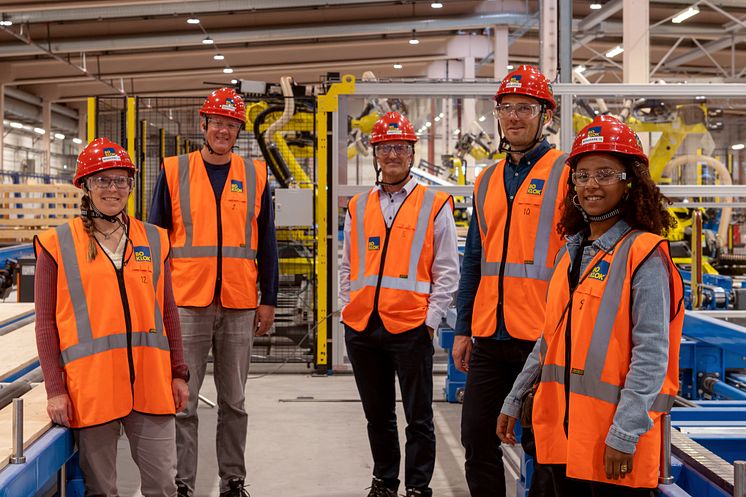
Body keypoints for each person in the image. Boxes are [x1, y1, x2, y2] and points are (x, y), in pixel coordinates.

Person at [497, 115, 684, 497]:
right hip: (560, 441)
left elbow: (651, 356)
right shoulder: (572, 253)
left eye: (605, 174)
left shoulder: (643, 255)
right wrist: (514, 398)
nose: (591, 185)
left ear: (630, 183)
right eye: (582, 176)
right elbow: (549, 340)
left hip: (611, 450)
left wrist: (625, 433)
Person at [34, 138, 189, 497]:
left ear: (131, 187)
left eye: (120, 180)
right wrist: (55, 390)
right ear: (86, 187)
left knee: (163, 485)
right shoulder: (56, 244)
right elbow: (45, 324)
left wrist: (179, 373)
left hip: (151, 384)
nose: (112, 189)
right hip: (92, 387)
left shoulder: (154, 239)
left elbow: (168, 311)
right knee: (101, 489)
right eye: (102, 180)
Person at [148, 87, 279, 497]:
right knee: (183, 402)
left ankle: (233, 480)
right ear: (202, 125)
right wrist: (156, 301)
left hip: (240, 304)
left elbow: (268, 243)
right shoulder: (173, 171)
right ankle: (183, 484)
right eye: (217, 122)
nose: (224, 129)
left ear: (239, 129)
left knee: (234, 402)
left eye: (231, 123)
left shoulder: (255, 175)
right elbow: (154, 243)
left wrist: (269, 298)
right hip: (186, 303)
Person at [454, 64, 568, 497]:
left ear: (546, 115)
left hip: (543, 338)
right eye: (506, 108)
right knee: (476, 439)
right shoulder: (486, 180)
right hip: (490, 336)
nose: (514, 117)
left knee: (543, 446)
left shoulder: (566, 173)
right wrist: (464, 327)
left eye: (525, 107)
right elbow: (474, 260)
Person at [340, 111, 460, 497]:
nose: (393, 154)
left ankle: (418, 487)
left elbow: (447, 271)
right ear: (375, 153)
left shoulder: (435, 204)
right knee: (378, 416)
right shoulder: (358, 206)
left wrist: (430, 321)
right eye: (385, 147)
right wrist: (347, 310)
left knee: (419, 417)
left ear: (412, 153)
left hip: (410, 328)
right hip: (362, 327)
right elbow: (346, 267)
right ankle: (385, 481)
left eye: (400, 147)